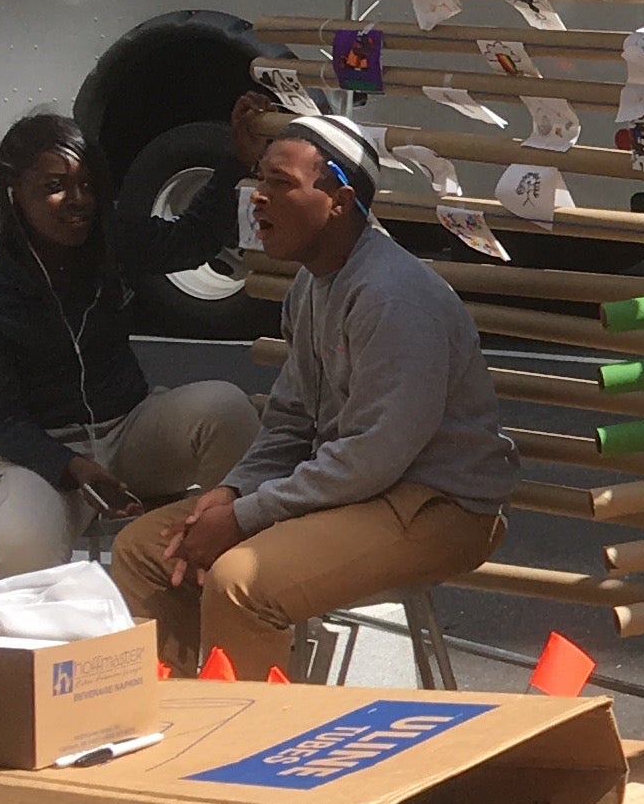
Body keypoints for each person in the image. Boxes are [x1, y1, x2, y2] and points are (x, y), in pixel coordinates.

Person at [107, 110, 513, 675]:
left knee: (239, 583)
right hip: (362, 491)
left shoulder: (391, 297)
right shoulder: (310, 284)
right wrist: (231, 491)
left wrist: (248, 516)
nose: (257, 198)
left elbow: (375, 456)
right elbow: (292, 421)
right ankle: (175, 723)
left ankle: (247, 751)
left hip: (435, 505)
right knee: (145, 550)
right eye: (259, 181)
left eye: (280, 183)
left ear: (339, 202)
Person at [0, 110, 261, 579]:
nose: (78, 200)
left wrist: (237, 159)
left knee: (226, 406)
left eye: (88, 185)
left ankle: (236, 577)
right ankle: (36, 644)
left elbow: (191, 240)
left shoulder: (111, 240)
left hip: (130, 426)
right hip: (39, 456)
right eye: (55, 186)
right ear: (15, 193)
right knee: (20, 555)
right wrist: (73, 467)